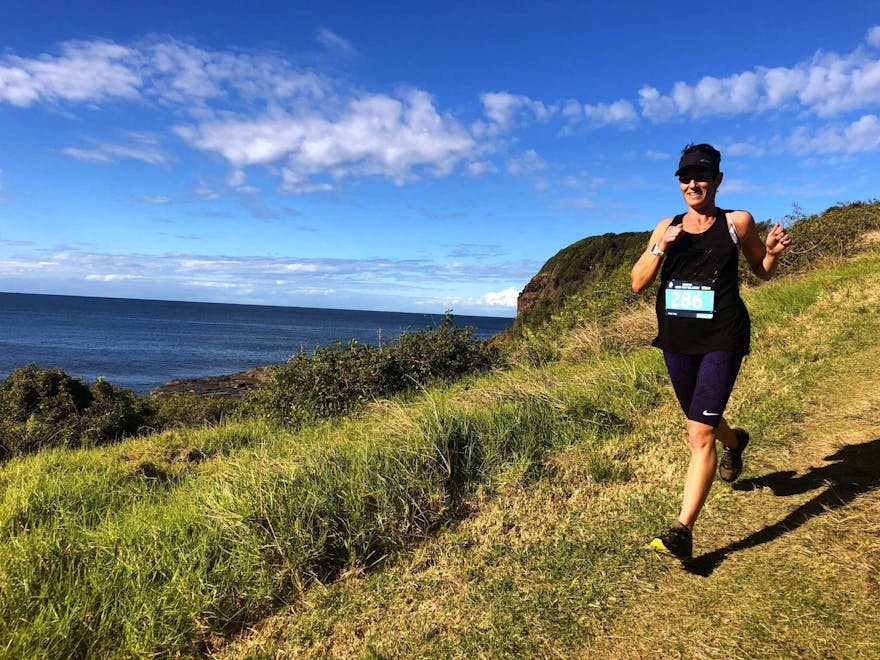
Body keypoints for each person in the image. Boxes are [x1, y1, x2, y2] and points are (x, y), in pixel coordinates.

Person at [630, 143, 791, 561]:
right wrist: (661, 245)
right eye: (685, 177)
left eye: (701, 176)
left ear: (718, 179)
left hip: (723, 334)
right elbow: (637, 282)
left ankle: (682, 530)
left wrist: (771, 252)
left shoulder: (738, 221)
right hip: (677, 340)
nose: (692, 184)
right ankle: (735, 442)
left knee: (698, 432)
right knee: (704, 418)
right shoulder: (666, 225)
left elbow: (762, 271)